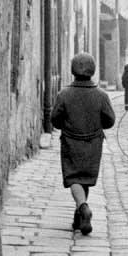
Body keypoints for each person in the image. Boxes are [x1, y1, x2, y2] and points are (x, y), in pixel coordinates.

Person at [50, 53, 116, 235]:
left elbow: (55, 120)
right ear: (92, 70)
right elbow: (110, 121)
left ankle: (83, 207)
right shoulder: (101, 95)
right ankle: (79, 216)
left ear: (73, 70)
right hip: (93, 143)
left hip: (71, 141)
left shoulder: (64, 94)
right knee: (84, 178)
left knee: (73, 177)